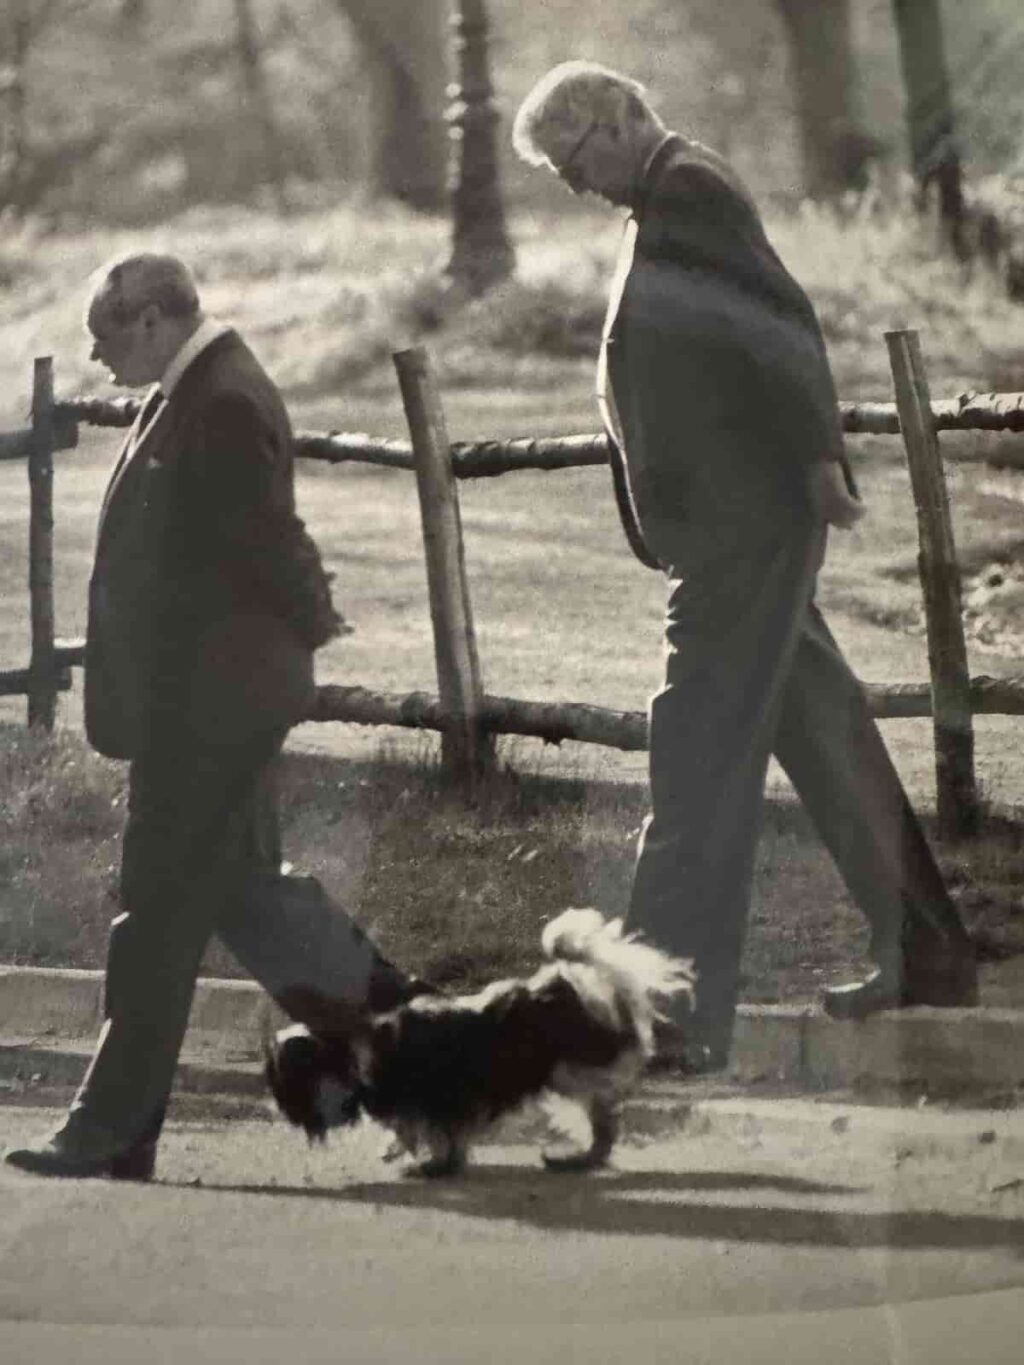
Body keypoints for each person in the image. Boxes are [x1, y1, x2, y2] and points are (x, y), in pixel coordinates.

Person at [512, 62, 977, 1071]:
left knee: (696, 761)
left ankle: (667, 1014)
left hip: (745, 525)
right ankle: (930, 951)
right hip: (737, 525)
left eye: (572, 158)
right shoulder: (666, 195)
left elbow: (779, 328)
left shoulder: (686, 190)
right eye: (557, 171)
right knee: (820, 732)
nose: (571, 184)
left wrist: (817, 462)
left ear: (622, 117)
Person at [6, 253, 426, 1180]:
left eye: (104, 334)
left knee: (154, 914)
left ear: (154, 319)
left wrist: (311, 619)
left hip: (210, 706)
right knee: (250, 900)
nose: (95, 352)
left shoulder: (222, 398)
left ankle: (111, 1127)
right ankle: (430, 1053)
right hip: (204, 701)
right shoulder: (192, 388)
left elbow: (262, 543)